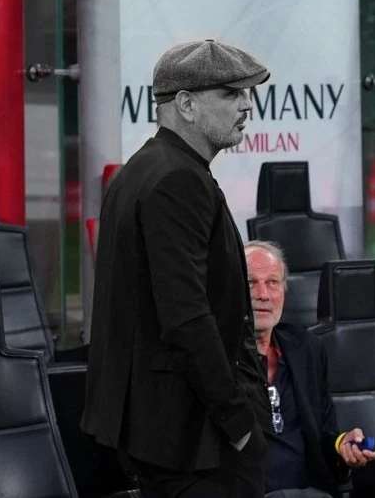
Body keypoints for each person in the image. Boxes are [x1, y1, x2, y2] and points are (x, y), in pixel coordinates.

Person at [81, 39, 273, 498]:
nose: (246, 105)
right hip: (194, 442)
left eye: (246, 93)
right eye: (230, 93)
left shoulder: (145, 169)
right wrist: (238, 422)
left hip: (171, 436)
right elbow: (185, 317)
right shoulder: (177, 179)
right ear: (186, 105)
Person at [244, 240, 375, 498]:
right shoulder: (216, 357)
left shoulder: (306, 348)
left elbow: (325, 434)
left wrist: (342, 445)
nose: (263, 294)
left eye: (273, 282)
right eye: (251, 283)